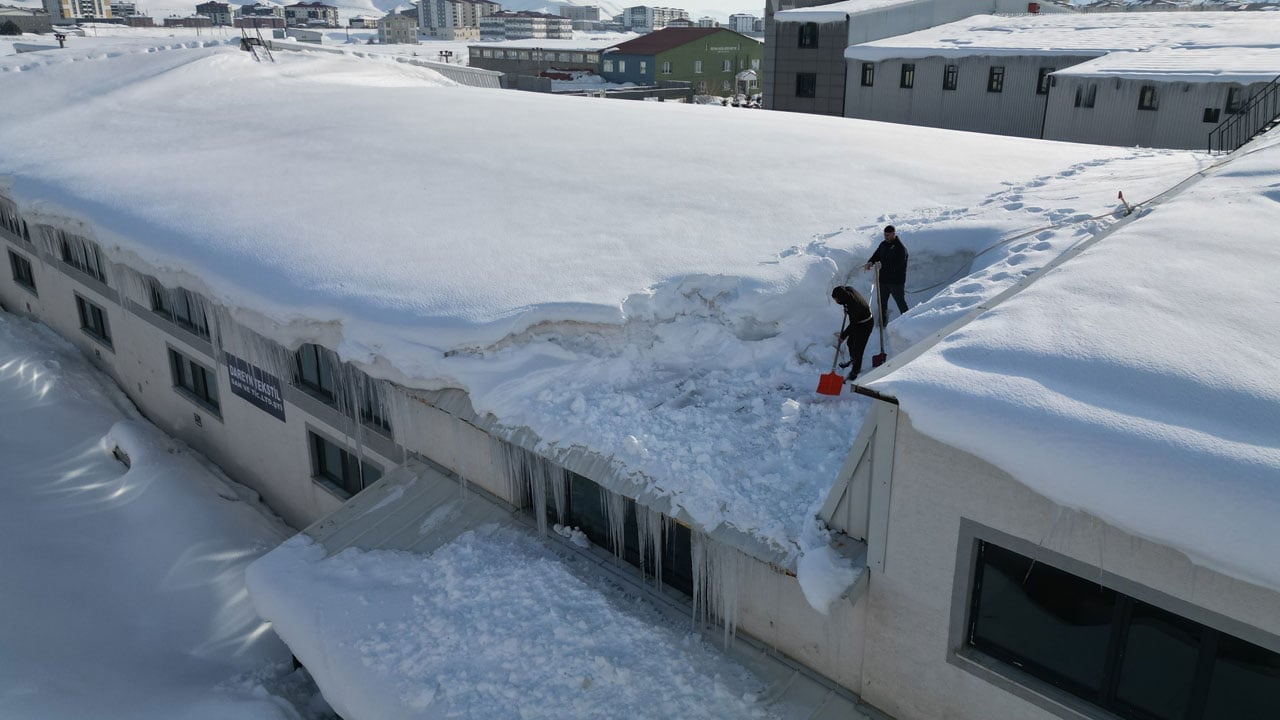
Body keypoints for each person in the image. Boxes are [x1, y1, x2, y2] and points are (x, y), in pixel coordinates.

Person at [864, 225, 909, 326]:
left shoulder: (900, 248)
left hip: (896, 282)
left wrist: (882, 265)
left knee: (901, 303)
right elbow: (876, 255)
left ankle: (908, 323)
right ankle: (882, 323)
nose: (886, 237)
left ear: (894, 234)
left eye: (888, 235)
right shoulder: (883, 244)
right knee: (881, 303)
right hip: (883, 281)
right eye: (885, 235)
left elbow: (897, 265)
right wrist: (870, 262)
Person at [831, 285, 874, 380]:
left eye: (836, 299)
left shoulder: (854, 306)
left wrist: (843, 336)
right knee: (850, 343)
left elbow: (853, 325)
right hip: (859, 321)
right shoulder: (848, 290)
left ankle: (855, 371)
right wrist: (846, 307)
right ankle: (852, 360)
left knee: (858, 349)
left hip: (865, 324)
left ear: (842, 297)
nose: (836, 301)